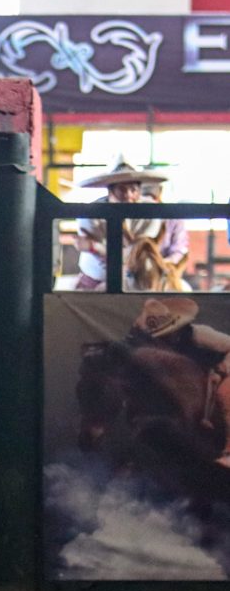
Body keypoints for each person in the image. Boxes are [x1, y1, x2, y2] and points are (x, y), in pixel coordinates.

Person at [129, 297, 230, 466]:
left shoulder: (199, 334)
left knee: (226, 393)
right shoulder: (153, 345)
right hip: (191, 379)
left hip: (220, 373)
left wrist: (222, 369)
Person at [73, 159, 189, 291]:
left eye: (133, 189)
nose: (128, 195)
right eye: (122, 189)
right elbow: (131, 251)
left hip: (140, 277)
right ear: (110, 191)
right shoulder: (91, 213)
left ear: (139, 191)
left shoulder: (150, 209)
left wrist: (96, 247)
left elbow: (141, 248)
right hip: (96, 277)